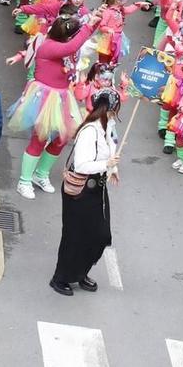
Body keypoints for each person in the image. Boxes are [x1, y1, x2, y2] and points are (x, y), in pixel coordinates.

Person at [50, 86, 120, 296]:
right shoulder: (90, 131)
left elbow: (111, 149)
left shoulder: (107, 126)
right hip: (80, 192)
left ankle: (80, 271)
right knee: (74, 235)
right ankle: (61, 277)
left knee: (100, 235)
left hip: (97, 188)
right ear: (109, 108)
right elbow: (81, 165)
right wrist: (106, 164)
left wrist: (113, 169)